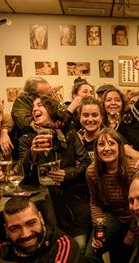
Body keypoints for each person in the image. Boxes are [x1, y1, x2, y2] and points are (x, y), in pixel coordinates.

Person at [17, 95, 91, 251]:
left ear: (51, 110)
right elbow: (21, 175)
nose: (34, 109)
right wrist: (33, 155)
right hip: (46, 206)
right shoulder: (26, 139)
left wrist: (67, 173)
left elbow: (86, 163)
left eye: (40, 105)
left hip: (73, 202)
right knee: (53, 249)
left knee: (79, 247)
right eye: (33, 108)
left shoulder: (69, 135)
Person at [84, 128, 139, 263]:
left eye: (111, 143)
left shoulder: (132, 168)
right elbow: (95, 202)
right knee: (90, 254)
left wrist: (132, 232)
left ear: (119, 147)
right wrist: (98, 231)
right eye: (101, 144)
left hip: (137, 217)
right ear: (96, 150)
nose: (106, 148)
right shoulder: (92, 171)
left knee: (128, 258)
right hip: (114, 215)